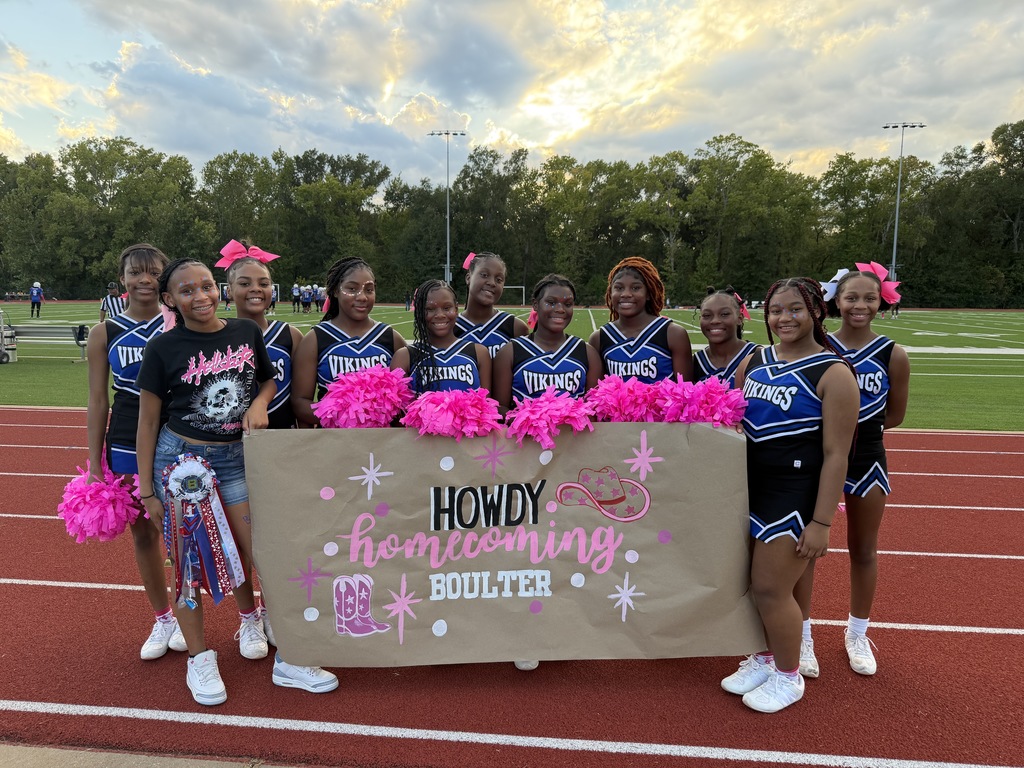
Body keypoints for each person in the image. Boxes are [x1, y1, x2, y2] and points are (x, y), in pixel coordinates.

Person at [135, 258, 337, 706]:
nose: (200, 296)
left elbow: (267, 379)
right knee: (188, 566)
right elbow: (148, 421)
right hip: (182, 464)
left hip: (236, 460)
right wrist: (147, 490)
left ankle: (291, 657)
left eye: (206, 286)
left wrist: (261, 403)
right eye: (186, 291)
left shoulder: (245, 333)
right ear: (170, 299)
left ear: (217, 287)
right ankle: (200, 659)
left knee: (261, 554)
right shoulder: (163, 348)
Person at [721, 276, 858, 713]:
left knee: (770, 588)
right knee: (753, 584)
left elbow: (837, 455)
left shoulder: (834, 372)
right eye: (776, 309)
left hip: (794, 493)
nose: (785, 317)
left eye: (795, 308)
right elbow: (733, 423)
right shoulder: (755, 360)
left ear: (817, 312)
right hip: (750, 489)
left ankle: (788, 675)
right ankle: (765, 657)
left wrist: (821, 523)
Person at [797, 270, 910, 679]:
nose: (860, 306)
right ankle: (802, 634)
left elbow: (893, 415)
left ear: (882, 303)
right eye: (851, 298)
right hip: (816, 457)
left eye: (870, 299)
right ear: (835, 301)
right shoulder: (819, 345)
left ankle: (857, 633)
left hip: (866, 458)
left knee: (864, 548)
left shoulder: (892, 353)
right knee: (804, 549)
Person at [85, 244, 186, 660]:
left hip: (179, 432)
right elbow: (96, 401)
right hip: (126, 434)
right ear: (123, 279)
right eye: (136, 273)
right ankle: (164, 618)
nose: (144, 280)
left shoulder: (181, 324)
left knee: (187, 529)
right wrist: (94, 463)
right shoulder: (104, 332)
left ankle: (189, 613)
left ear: (164, 279)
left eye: (153, 272)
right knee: (144, 531)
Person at [292, 258, 406, 427]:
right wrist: (342, 416)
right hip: (334, 443)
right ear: (336, 291)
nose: (362, 297)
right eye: (352, 289)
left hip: (381, 446)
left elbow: (405, 400)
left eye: (369, 290)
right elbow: (299, 402)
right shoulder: (316, 338)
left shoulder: (391, 338)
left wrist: (378, 415)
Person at [493, 274, 601, 410]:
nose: (560, 309)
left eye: (567, 304)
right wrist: (531, 422)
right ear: (535, 305)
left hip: (572, 432)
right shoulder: (510, 352)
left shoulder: (587, 353)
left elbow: (594, 410)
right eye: (551, 302)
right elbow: (500, 408)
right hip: (527, 432)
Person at [589, 257, 693, 383]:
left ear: (649, 293)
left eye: (636, 288)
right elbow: (596, 394)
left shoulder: (673, 334)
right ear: (610, 293)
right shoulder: (599, 338)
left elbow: (686, 392)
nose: (626, 294)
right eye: (619, 288)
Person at [391, 279, 491, 394]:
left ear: (456, 309)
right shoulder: (404, 357)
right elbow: (398, 410)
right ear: (419, 312)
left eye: (447, 308)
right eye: (430, 309)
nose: (440, 315)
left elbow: (487, 406)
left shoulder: (479, 353)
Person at [455, 252, 529, 358]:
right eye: (484, 275)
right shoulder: (452, 327)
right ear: (468, 278)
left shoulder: (515, 327)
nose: (492, 283)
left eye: (499, 280)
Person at [694, 288, 759, 386]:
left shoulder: (758, 356)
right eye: (707, 315)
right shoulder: (695, 362)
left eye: (724, 314)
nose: (715, 321)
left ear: (740, 319)